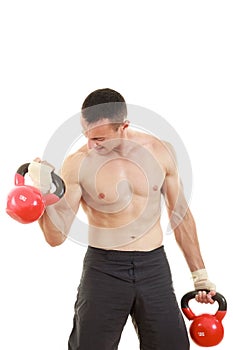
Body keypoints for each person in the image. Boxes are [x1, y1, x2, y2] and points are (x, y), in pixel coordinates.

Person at [28, 88, 216, 350]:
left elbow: (181, 216)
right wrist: (42, 194)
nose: (92, 145)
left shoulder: (160, 151)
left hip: (154, 268)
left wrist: (200, 276)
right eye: (87, 136)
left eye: (100, 138)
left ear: (124, 127)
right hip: (103, 269)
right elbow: (54, 237)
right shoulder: (78, 163)